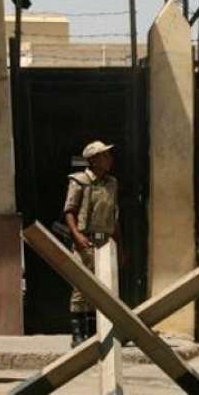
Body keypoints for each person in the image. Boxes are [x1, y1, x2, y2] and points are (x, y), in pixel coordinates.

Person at [63, 141, 120, 347]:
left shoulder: (112, 183)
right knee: (82, 287)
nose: (109, 159)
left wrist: (119, 244)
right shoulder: (80, 181)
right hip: (85, 241)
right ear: (94, 160)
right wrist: (77, 236)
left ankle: (97, 331)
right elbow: (69, 211)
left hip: (105, 241)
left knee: (103, 287)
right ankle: (78, 334)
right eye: (105, 155)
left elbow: (115, 215)